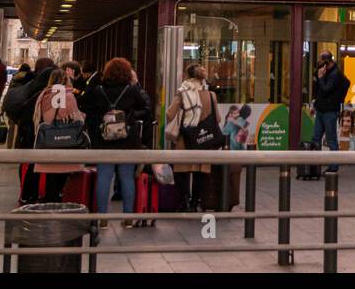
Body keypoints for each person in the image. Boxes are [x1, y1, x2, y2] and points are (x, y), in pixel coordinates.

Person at [82, 57, 153, 226]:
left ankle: (102, 219)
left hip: (104, 139)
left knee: (104, 177)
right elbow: (146, 108)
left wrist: (101, 118)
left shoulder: (98, 90)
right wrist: (130, 116)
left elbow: (85, 107)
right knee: (127, 177)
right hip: (127, 139)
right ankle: (127, 218)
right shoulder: (131, 90)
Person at [165, 64, 220, 210]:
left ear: (187, 76)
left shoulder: (183, 93)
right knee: (200, 172)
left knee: (182, 172)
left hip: (186, 139)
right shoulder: (211, 95)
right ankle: (196, 202)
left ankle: (185, 202)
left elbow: (170, 114)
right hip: (204, 140)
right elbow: (218, 119)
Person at [30, 69, 85, 203]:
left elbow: (39, 117)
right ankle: (59, 197)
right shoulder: (69, 96)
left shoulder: (44, 95)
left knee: (50, 173)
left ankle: (51, 199)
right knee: (63, 171)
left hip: (49, 139)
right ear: (65, 80)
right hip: (67, 140)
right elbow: (77, 118)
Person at [311, 53, 349, 173]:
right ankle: (314, 166)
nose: (319, 64)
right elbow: (320, 90)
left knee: (331, 139)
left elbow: (326, 89)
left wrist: (321, 77)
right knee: (315, 138)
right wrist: (315, 104)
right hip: (321, 109)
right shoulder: (325, 71)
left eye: (320, 62)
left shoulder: (335, 74)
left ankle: (333, 166)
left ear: (326, 61)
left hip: (330, 111)